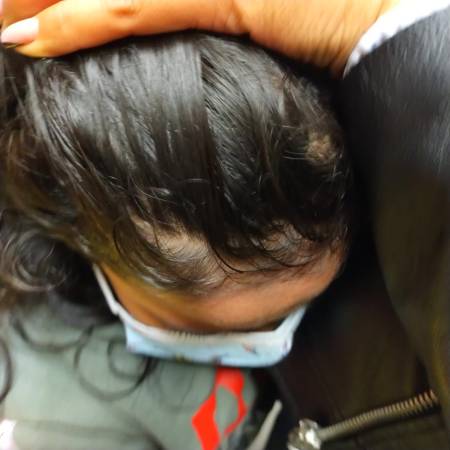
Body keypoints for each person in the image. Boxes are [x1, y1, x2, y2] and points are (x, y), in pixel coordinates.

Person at [2, 0, 450, 449]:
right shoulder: (60, 419)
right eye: (210, 331)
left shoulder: (404, 185)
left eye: (299, 309)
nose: (278, 342)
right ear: (76, 231)